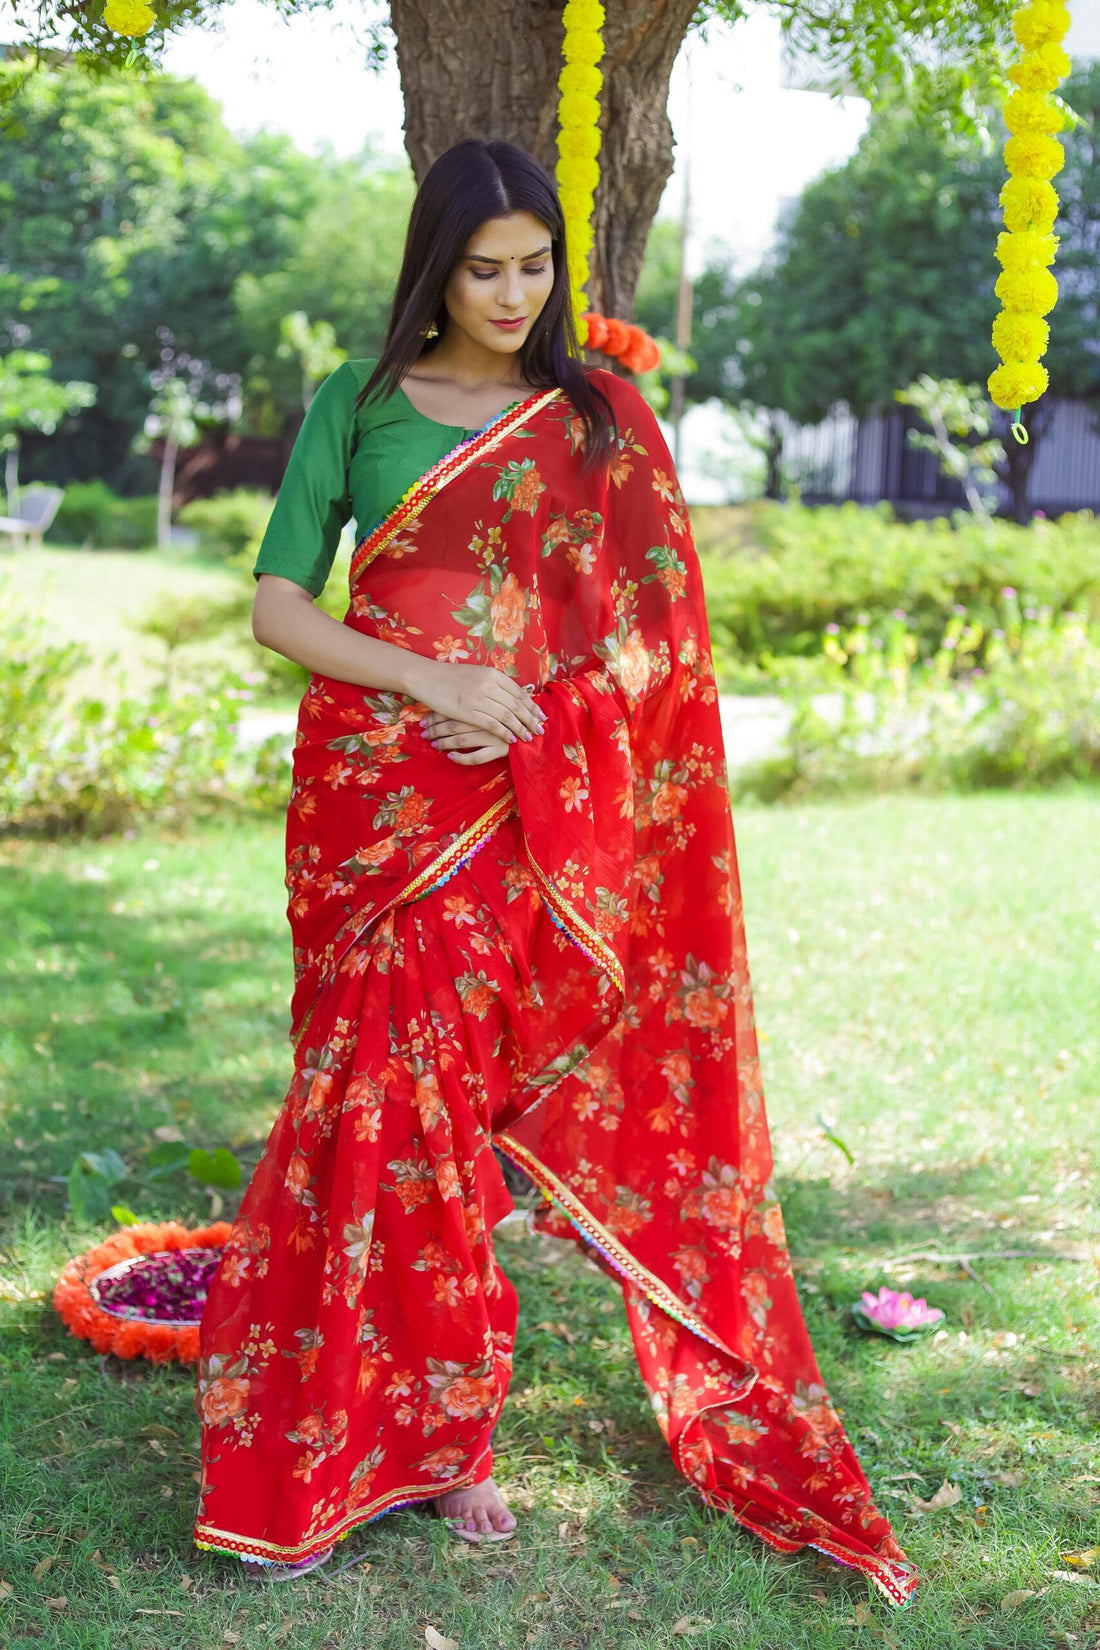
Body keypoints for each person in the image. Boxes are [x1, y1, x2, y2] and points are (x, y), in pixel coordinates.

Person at [191, 136, 918, 1606]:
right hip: (373, 795)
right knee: (355, 1102)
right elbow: (281, 607)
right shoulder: (363, 401)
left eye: (534, 266)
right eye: (484, 266)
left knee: (444, 1108)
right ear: (434, 266)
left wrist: (530, 718)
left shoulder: (593, 418)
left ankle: (453, 1433)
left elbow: (648, 644)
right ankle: (313, 1427)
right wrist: (434, 685)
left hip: (512, 811)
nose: (512, 292)